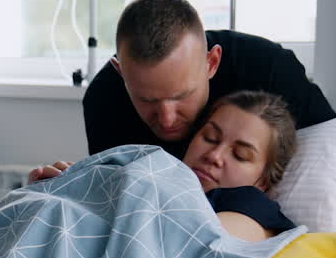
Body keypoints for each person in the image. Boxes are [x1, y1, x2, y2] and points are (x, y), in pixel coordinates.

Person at [82, 0, 335, 159]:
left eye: (182, 96)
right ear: (121, 72)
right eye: (147, 101)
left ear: (212, 63)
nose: (168, 119)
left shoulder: (271, 70)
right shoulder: (103, 97)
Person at [33, 90, 298, 241]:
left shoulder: (252, 206)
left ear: (263, 181)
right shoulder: (157, 170)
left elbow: (195, 244)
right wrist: (65, 192)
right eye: (210, 137)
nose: (214, 155)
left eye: (240, 155)